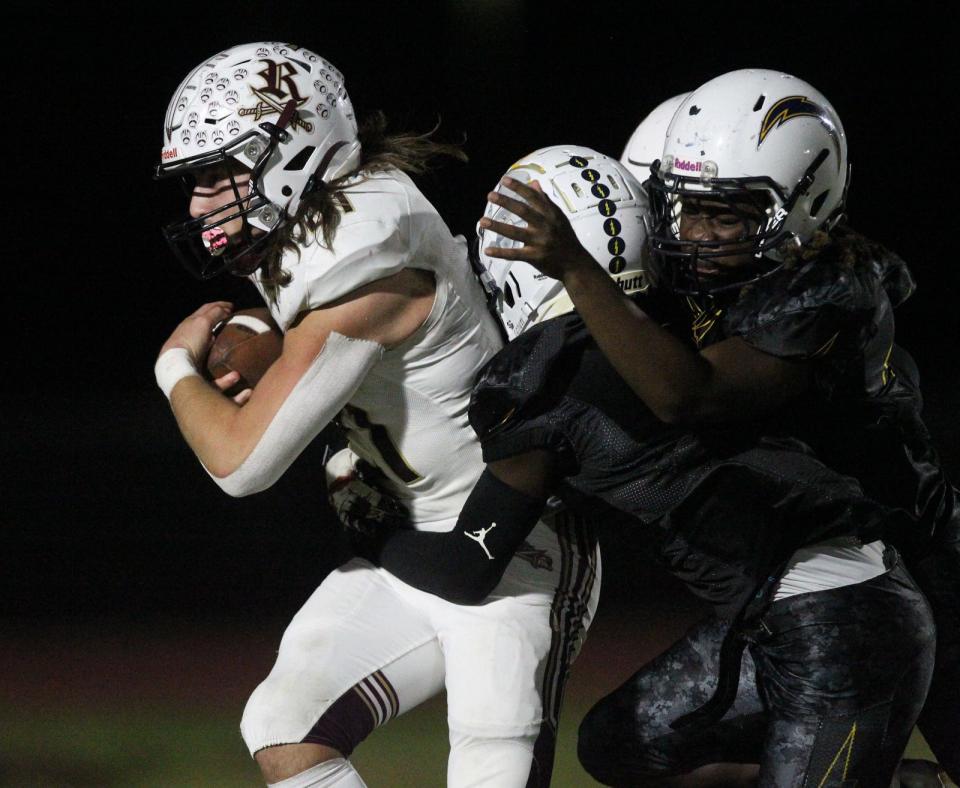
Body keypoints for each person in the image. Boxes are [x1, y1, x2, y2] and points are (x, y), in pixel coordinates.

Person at [368, 145, 936, 787]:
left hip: (840, 618)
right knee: (620, 746)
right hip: (798, 608)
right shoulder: (678, 326)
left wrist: (371, 532)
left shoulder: (538, 386)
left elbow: (465, 570)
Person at [153, 42, 600, 788]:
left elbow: (240, 462)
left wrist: (172, 367)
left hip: (511, 551)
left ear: (289, 153)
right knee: (285, 725)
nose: (200, 203)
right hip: (416, 539)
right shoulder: (326, 216)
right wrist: (271, 340)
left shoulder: (365, 254)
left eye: (214, 174)